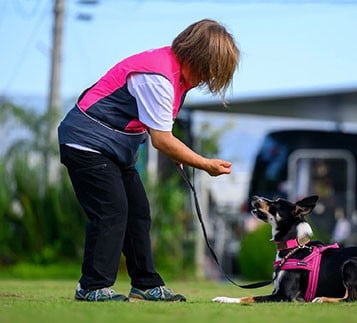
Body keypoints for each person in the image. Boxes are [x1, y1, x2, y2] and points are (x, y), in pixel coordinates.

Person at [58, 19, 240, 302]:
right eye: (213, 70)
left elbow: (156, 128)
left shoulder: (176, 77)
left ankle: (145, 284)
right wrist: (204, 164)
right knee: (112, 210)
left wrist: (179, 153)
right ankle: (92, 287)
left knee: (138, 212)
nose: (210, 79)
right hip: (87, 142)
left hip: (114, 148)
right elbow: (162, 139)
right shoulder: (157, 76)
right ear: (200, 59)